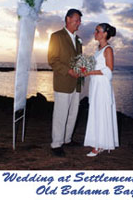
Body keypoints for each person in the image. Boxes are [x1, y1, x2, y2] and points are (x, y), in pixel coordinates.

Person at [48, 8, 82, 157]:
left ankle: (67, 139)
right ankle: (56, 144)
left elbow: (78, 60)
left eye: (80, 20)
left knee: (73, 113)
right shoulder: (56, 36)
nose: (79, 23)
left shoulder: (78, 40)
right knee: (61, 114)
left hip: (76, 82)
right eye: (77, 20)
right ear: (68, 19)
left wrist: (82, 69)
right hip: (63, 81)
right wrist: (69, 71)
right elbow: (52, 60)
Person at [84, 23, 119, 157]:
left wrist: (91, 72)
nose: (95, 33)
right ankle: (100, 143)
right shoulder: (98, 49)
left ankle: (98, 146)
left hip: (102, 85)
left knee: (101, 112)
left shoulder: (108, 49)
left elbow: (109, 70)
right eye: (95, 31)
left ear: (105, 34)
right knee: (96, 112)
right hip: (96, 84)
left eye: (97, 31)